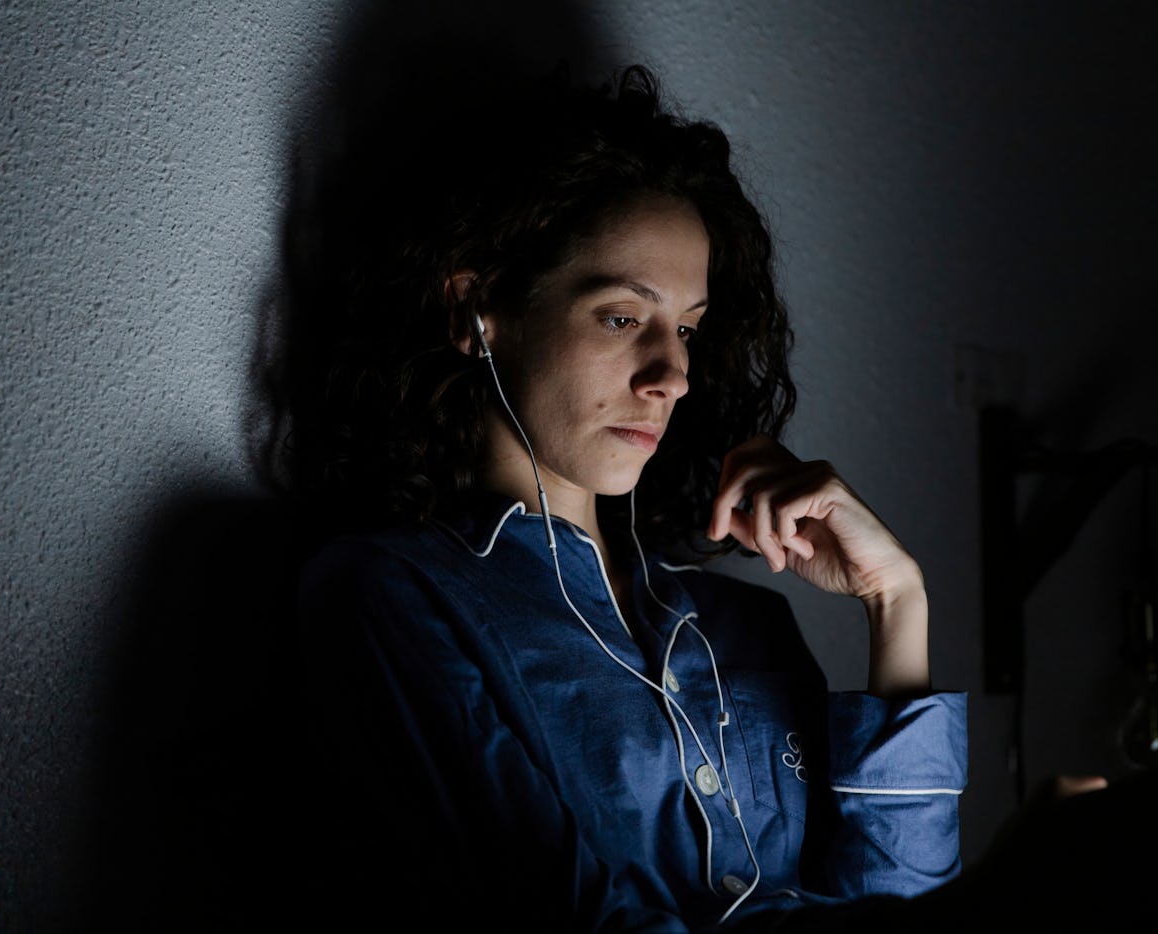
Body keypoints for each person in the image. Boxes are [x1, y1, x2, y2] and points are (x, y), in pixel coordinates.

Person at [288, 62, 968, 932]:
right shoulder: (390, 598)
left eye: (687, 328)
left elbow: (903, 907)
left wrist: (896, 599)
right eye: (621, 317)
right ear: (477, 309)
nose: (673, 374)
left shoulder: (748, 631)